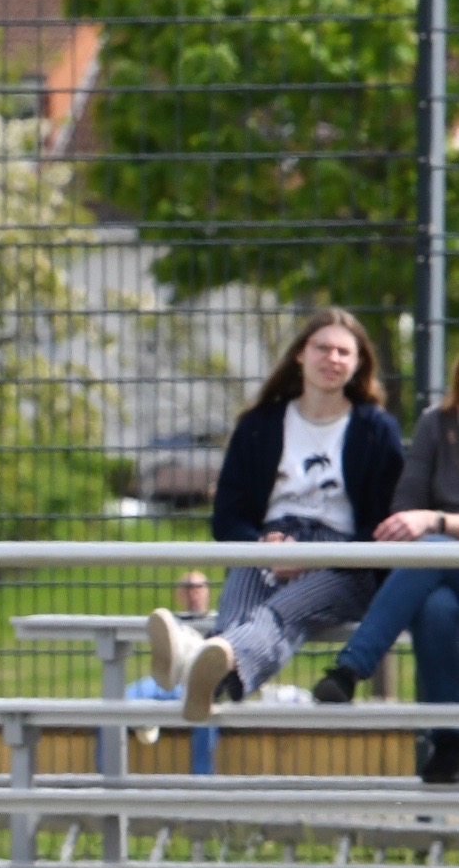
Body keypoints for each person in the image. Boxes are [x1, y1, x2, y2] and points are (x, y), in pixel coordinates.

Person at [149, 309, 404, 723]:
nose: (332, 358)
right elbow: (227, 515)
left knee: (279, 613)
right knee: (238, 609)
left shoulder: (377, 429)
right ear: (301, 354)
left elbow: (382, 527)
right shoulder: (259, 424)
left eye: (344, 351)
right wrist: (261, 545)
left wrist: (313, 558)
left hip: (343, 557)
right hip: (268, 542)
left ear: (359, 364)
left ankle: (194, 656)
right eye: (322, 347)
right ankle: (211, 674)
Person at [312, 356, 459, 782]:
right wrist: (428, 526)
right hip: (438, 571)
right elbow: (404, 509)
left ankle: (351, 667)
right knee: (437, 609)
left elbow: (422, 521)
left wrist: (439, 523)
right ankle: (450, 744)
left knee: (431, 549)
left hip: (435, 550)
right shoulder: (437, 425)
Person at [129, 571, 219, 774]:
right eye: (188, 588)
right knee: (118, 702)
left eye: (199, 587)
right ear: (179, 594)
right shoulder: (169, 622)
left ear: (208, 592)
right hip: (166, 681)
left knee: (205, 709)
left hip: (197, 683)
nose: (193, 593)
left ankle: (202, 784)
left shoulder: (219, 621)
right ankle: (110, 785)